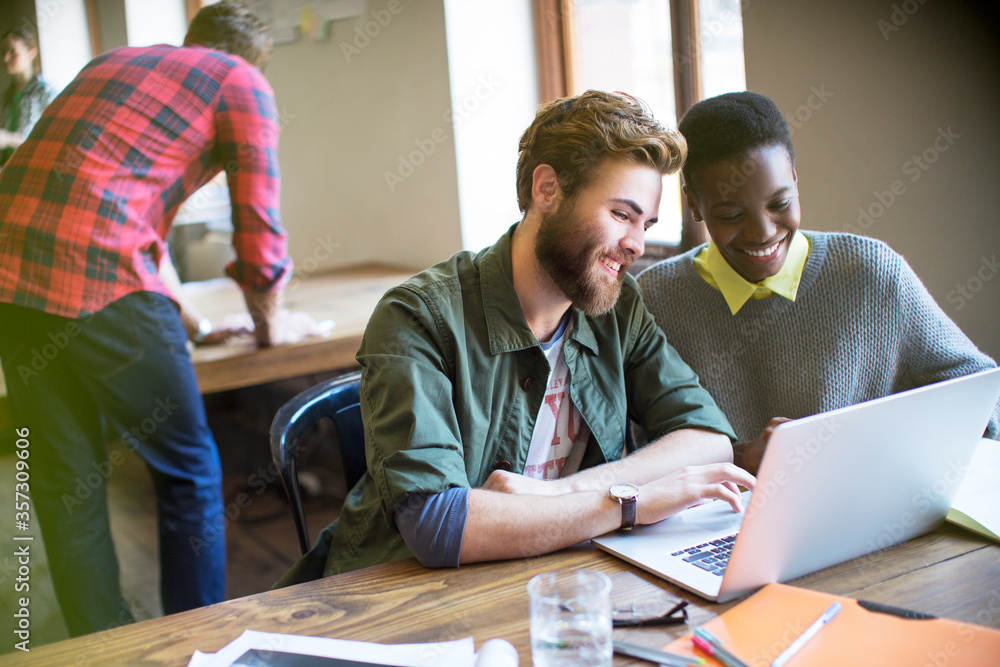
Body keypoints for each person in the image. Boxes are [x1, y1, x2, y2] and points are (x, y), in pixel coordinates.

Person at [279, 90, 755, 585]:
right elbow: (437, 524)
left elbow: (708, 439)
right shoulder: (418, 316)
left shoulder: (618, 306)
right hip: (399, 597)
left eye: (646, 224)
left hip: (552, 579)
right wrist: (629, 504)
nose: (635, 244)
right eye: (620, 215)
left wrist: (571, 493)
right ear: (547, 189)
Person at [0, 1, 310, 636]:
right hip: (97, 276)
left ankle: (101, 643)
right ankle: (193, 645)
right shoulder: (240, 80)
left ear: (190, 38)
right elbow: (259, 231)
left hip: (10, 276)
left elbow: (128, 219)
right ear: (252, 58)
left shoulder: (114, 63)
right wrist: (271, 326)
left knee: (66, 479)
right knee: (189, 469)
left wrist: (194, 324)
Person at [636, 91, 999, 473]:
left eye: (779, 204)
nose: (763, 232)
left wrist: (869, 442)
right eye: (730, 214)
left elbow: (985, 399)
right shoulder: (654, 300)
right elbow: (629, 449)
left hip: (869, 511)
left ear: (795, 176)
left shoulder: (872, 274)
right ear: (693, 204)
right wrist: (737, 457)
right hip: (721, 525)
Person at [0, 24, 54, 166]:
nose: (6, 58)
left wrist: (9, 139)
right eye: (4, 51)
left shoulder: (45, 92)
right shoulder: (6, 97)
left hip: (30, 169)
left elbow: (50, 141)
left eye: (13, 52)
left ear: (31, 53)